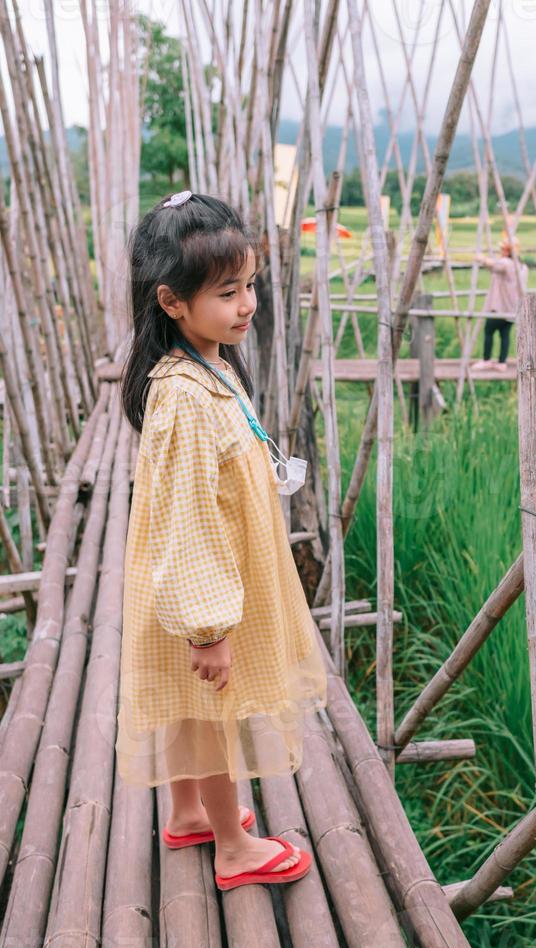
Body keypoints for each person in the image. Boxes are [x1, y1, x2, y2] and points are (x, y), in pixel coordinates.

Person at [116, 191, 328, 891]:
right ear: (172, 301)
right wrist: (208, 627)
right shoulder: (182, 393)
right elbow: (187, 518)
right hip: (202, 591)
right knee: (211, 712)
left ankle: (187, 811)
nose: (247, 304)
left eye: (251, 286)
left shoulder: (206, 363)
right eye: (229, 292)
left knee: (189, 704)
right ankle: (234, 848)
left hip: (196, 583)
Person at [471, 237, 528, 372]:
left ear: (508, 251)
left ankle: (486, 360)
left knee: (489, 331)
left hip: (500, 307)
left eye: (503, 249)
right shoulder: (522, 267)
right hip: (512, 308)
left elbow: (494, 265)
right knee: (505, 334)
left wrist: (481, 258)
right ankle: (502, 362)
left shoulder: (507, 263)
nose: (501, 251)